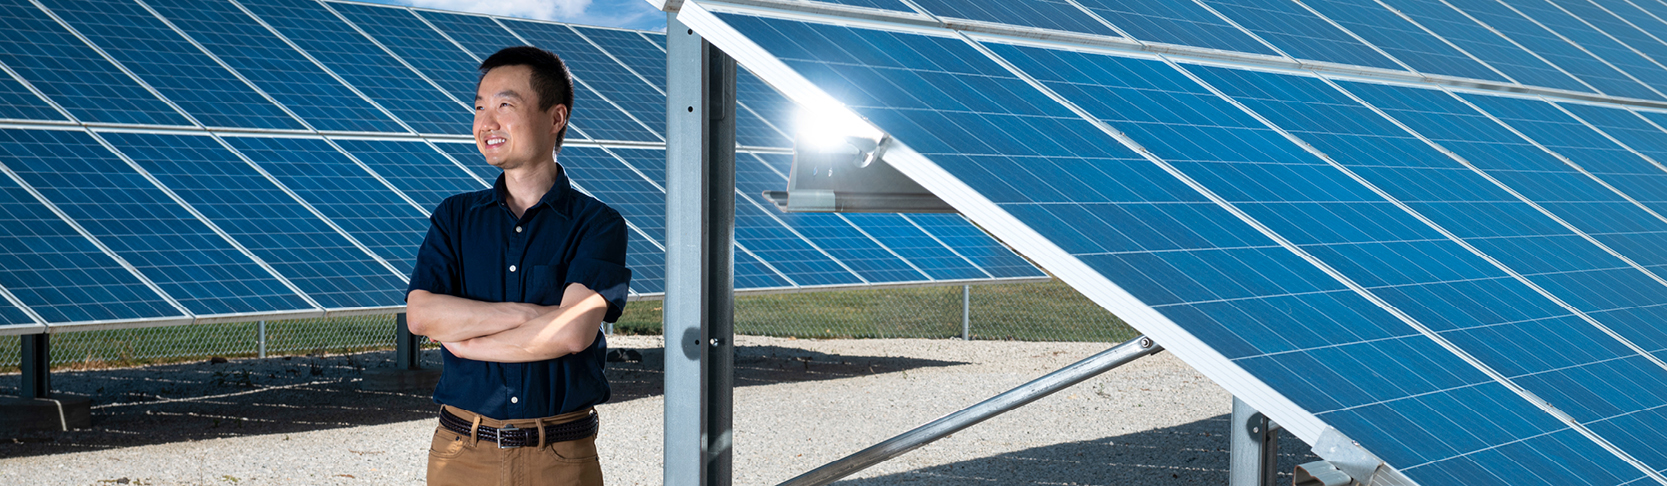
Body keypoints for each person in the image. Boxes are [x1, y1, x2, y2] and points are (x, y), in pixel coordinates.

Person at [406, 45, 631, 486]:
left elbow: (571, 332)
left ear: (555, 118)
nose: (486, 123)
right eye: (479, 108)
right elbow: (422, 314)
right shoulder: (454, 218)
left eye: (504, 105)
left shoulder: (598, 224)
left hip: (560, 458)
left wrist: (467, 341)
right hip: (459, 454)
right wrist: (527, 315)